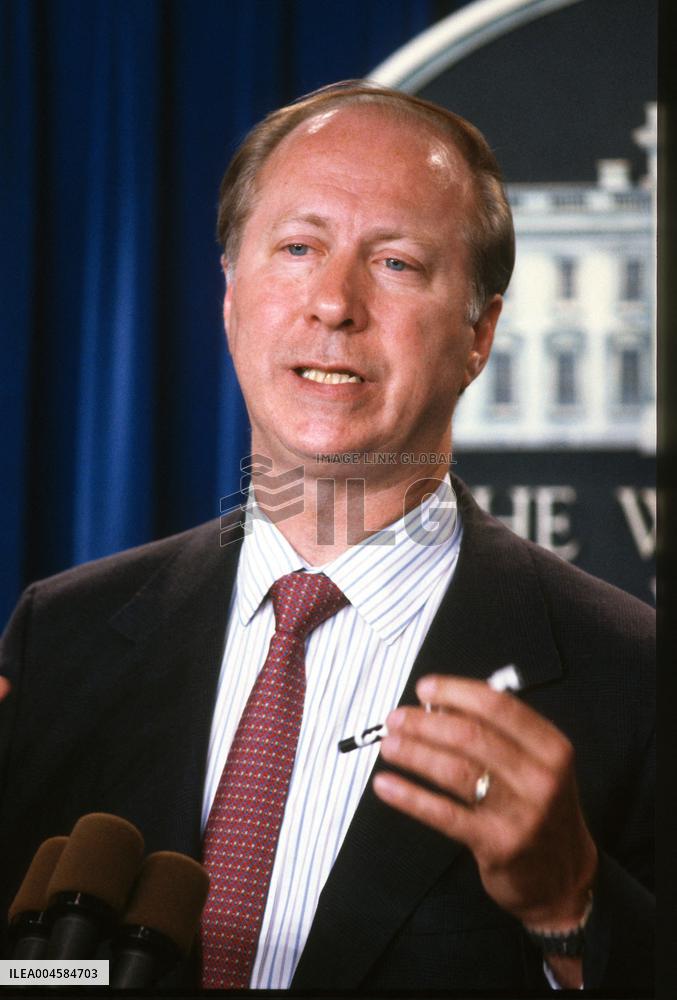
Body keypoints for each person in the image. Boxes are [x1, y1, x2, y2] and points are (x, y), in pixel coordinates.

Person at [0, 82, 653, 993]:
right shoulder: (57, 640)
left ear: (480, 335)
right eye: (298, 248)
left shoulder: (634, 678)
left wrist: (567, 911)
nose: (333, 304)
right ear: (231, 298)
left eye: (396, 264)